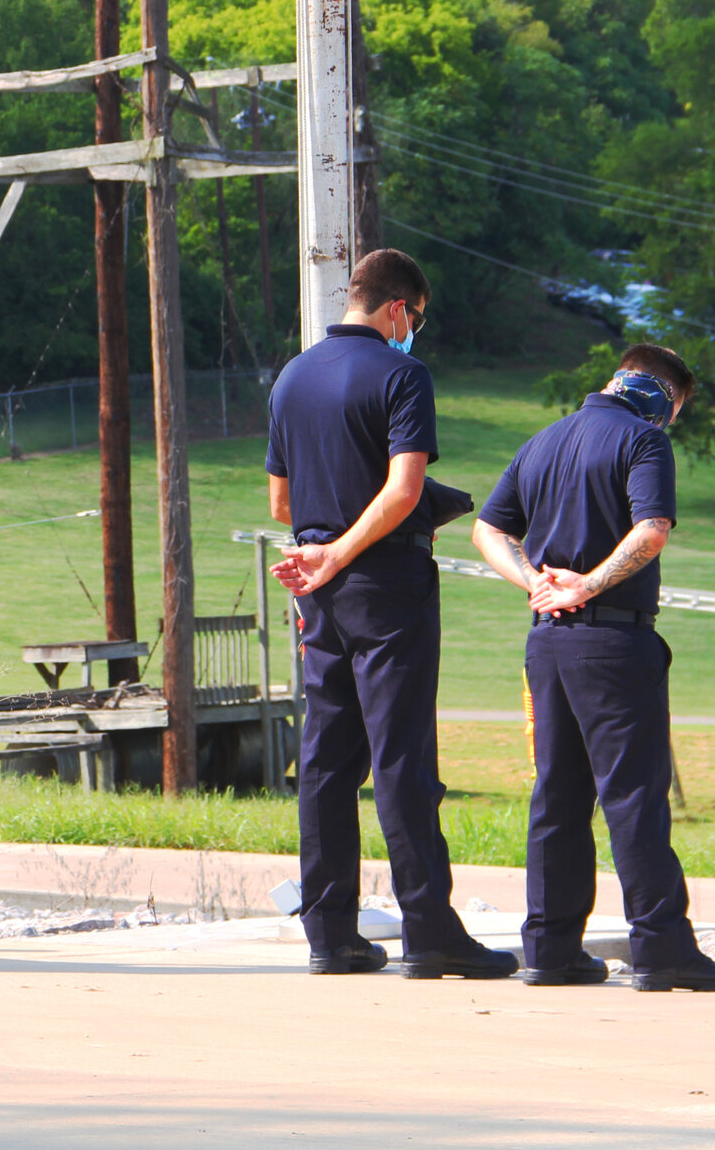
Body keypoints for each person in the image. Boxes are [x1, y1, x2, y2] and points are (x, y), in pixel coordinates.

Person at [267, 248, 515, 981]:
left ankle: (330, 932)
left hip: (316, 584)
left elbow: (281, 503)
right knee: (402, 756)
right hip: (383, 579)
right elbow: (405, 490)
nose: (415, 331)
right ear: (399, 309)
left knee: (326, 760)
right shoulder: (402, 374)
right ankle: (430, 930)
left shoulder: (291, 376)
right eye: (417, 318)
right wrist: (348, 547)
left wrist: (322, 550)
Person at [470, 343, 715, 992]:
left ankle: (551, 948)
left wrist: (537, 582)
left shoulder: (544, 439)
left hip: (547, 642)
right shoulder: (643, 441)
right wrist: (586, 584)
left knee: (557, 799)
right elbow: (650, 530)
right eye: (673, 409)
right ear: (663, 396)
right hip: (612, 644)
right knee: (633, 797)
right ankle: (661, 950)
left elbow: (486, 529)